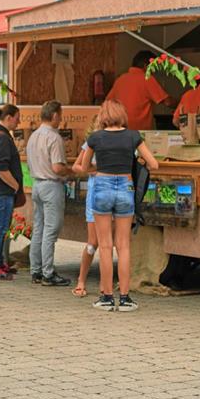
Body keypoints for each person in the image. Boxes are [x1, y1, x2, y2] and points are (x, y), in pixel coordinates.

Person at [82, 100, 158, 312]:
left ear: (103, 116)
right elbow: (153, 164)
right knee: (123, 246)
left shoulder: (95, 138)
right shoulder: (133, 136)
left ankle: (106, 298)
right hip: (126, 188)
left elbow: (85, 166)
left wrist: (102, 167)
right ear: (122, 115)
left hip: (102, 187)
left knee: (105, 245)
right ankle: (125, 298)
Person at [25, 100, 71, 287]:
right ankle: (48, 273)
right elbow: (58, 167)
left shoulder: (33, 136)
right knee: (51, 231)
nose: (61, 119)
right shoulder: (54, 137)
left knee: (39, 229)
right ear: (54, 116)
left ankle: (35, 270)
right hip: (51, 186)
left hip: (37, 184)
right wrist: (73, 171)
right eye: (60, 115)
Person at [0, 104, 23, 280]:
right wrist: (15, 185)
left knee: (2, 228)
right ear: (8, 118)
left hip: (2, 190)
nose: (19, 122)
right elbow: (1, 167)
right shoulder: (1, 138)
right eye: (17, 118)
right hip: (3, 191)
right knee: (0, 228)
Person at [106, 50, 177, 131]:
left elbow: (107, 102)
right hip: (139, 132)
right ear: (146, 66)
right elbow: (168, 102)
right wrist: (181, 104)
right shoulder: (147, 79)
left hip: (119, 130)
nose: (154, 71)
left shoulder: (120, 79)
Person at [71, 116, 101, 298]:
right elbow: (76, 166)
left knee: (117, 243)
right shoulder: (91, 142)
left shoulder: (120, 138)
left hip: (115, 194)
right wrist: (92, 169)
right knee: (93, 243)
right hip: (95, 194)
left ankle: (113, 286)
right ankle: (81, 280)